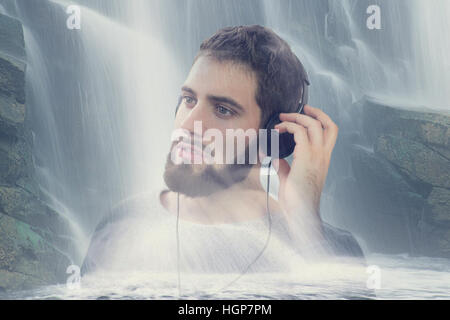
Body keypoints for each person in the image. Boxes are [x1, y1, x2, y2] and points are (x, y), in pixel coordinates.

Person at [82, 25, 365, 280]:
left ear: (272, 136)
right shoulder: (123, 223)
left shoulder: (332, 251)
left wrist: (305, 224)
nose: (189, 124)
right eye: (189, 99)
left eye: (223, 109)